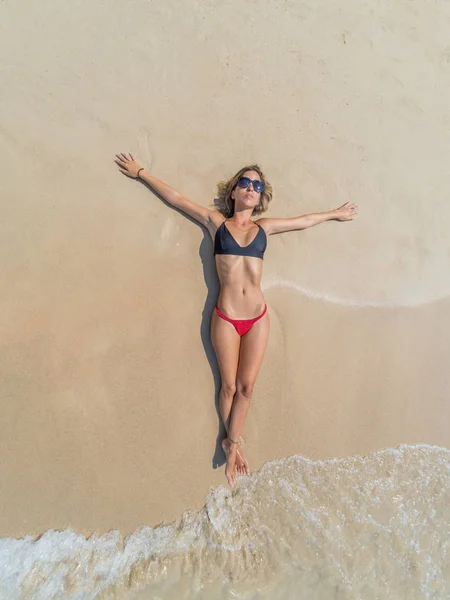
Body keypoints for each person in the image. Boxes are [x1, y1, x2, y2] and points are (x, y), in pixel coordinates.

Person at [114, 153, 359, 487]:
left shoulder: (265, 228)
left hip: (258, 316)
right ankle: (233, 443)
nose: (250, 187)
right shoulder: (217, 223)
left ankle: (231, 444)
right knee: (228, 386)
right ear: (233, 192)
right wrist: (141, 173)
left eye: (256, 185)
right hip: (227, 317)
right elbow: (178, 200)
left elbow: (303, 220)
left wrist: (335, 214)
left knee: (247, 387)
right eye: (244, 182)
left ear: (260, 197)